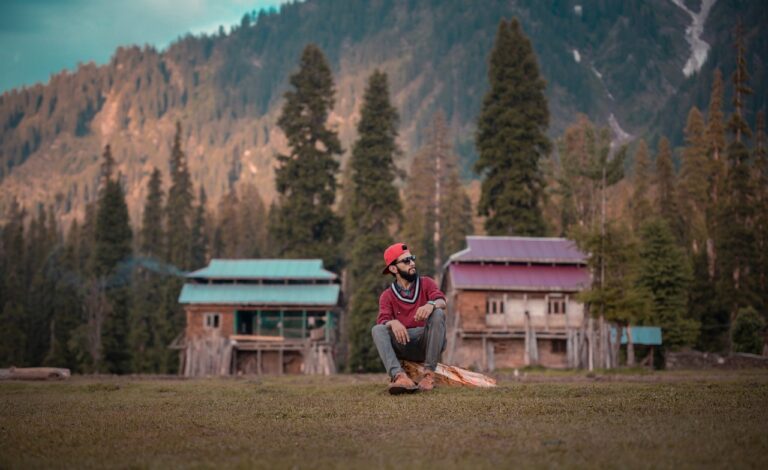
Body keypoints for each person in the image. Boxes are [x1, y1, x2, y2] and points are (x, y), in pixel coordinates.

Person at [371, 242, 447, 394]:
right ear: (393, 268)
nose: (412, 263)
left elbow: (442, 301)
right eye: (406, 261)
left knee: (438, 313)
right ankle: (399, 377)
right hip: (403, 345)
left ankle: (429, 375)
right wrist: (392, 322)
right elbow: (382, 320)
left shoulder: (427, 283)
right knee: (377, 329)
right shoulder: (386, 296)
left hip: (427, 342)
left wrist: (430, 305)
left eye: (412, 258)